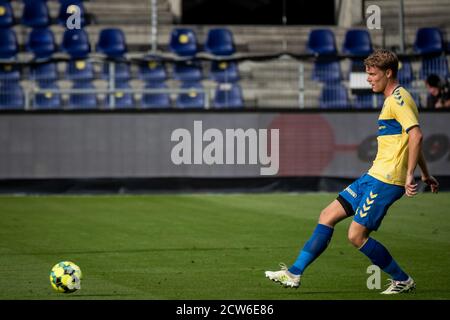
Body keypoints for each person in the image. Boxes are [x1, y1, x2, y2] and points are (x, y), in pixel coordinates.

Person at [265, 49, 439, 294]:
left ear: (388, 73)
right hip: (372, 176)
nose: (368, 78)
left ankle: (402, 280)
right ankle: (294, 273)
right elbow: (411, 140)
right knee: (327, 215)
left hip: (386, 180)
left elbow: (417, 135)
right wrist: (424, 173)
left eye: (372, 73)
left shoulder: (399, 99)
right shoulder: (393, 100)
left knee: (356, 235)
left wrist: (409, 174)